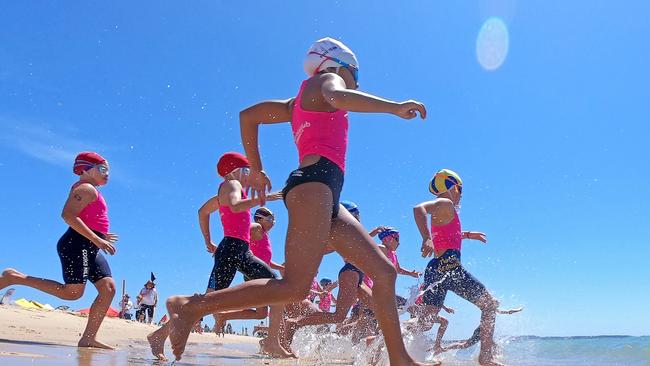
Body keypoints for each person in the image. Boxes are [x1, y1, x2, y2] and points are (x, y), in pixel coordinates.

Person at [164, 37, 430, 365]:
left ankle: (399, 358)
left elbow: (248, 116)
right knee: (294, 287)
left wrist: (259, 170)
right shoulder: (326, 81)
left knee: (384, 272)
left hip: (323, 191)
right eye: (355, 75)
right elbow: (338, 95)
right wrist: (393, 107)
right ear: (339, 65)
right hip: (314, 186)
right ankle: (191, 306)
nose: (355, 82)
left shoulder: (296, 102)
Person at [147, 152, 285, 361]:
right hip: (231, 249)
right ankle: (159, 335)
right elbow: (235, 206)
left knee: (275, 285)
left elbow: (203, 211)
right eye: (246, 171)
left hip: (240, 249)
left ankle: (272, 341)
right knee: (208, 302)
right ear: (234, 171)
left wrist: (208, 240)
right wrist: (264, 199)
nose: (248, 176)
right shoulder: (232, 185)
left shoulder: (229, 189)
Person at [0, 151, 118, 349]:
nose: (107, 174)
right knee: (72, 294)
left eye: (108, 170)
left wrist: (100, 235)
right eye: (103, 169)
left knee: (108, 289)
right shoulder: (86, 188)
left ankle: (88, 338)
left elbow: (87, 217)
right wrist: (97, 238)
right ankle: (15, 278)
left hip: (89, 243)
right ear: (87, 170)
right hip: (77, 244)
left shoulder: (92, 190)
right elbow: (68, 216)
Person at [413, 169, 502, 365]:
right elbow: (418, 209)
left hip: (436, 268)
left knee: (425, 322)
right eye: (461, 190)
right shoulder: (445, 203)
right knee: (489, 305)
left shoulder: (446, 210)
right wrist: (426, 238)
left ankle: (384, 338)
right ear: (454, 187)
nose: (461, 195)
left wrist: (469, 235)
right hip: (450, 268)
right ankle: (485, 357)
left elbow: (448, 237)